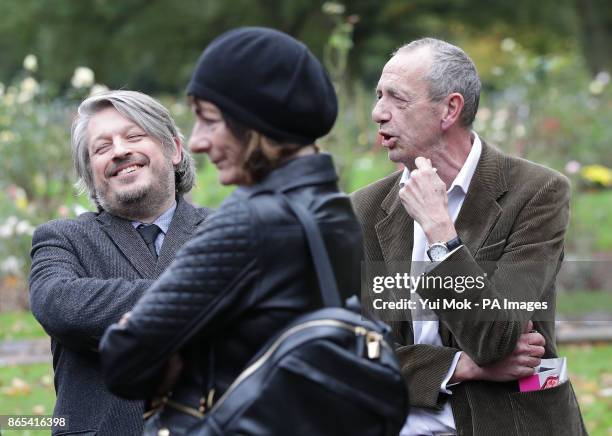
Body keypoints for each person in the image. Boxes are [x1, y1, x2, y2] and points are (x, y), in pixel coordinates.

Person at [99, 27, 363, 434]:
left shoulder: (249, 223)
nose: (199, 142)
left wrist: (176, 350)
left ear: (255, 122)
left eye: (208, 120)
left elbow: (125, 358)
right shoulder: (335, 209)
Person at [352, 38, 586, 435]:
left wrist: (440, 233)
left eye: (397, 99)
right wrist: (459, 366)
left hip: (509, 422)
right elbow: (358, 351)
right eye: (378, 96)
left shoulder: (537, 193)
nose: (378, 113)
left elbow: (498, 335)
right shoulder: (366, 208)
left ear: (450, 109)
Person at [29, 90, 212, 435]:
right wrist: (202, 296)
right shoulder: (62, 238)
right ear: (90, 172)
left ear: (174, 149)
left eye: (134, 136)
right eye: (101, 147)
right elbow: (59, 304)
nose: (119, 150)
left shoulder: (229, 228)